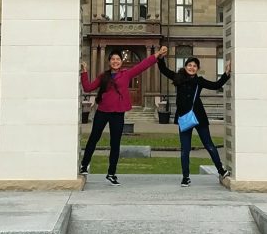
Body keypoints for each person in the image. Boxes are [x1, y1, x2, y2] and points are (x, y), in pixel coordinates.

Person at [79, 46, 167, 184]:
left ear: (121, 61)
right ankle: (84, 165)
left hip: (118, 114)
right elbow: (88, 88)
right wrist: (84, 72)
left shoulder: (126, 74)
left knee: (115, 144)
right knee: (93, 139)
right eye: (113, 59)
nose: (115, 61)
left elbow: (143, 65)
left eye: (118, 59)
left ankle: (111, 173)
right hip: (102, 112)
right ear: (109, 62)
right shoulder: (104, 76)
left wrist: (157, 54)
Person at [157, 54, 231, 186]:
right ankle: (185, 177)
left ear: (197, 69)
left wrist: (226, 73)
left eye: (194, 66)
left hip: (199, 117)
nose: (192, 68)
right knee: (185, 149)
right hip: (184, 118)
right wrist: (160, 58)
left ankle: (221, 170)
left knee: (209, 144)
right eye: (189, 65)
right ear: (185, 67)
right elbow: (163, 70)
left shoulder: (199, 81)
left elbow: (216, 85)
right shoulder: (178, 78)